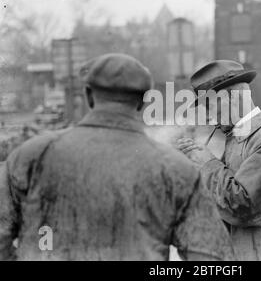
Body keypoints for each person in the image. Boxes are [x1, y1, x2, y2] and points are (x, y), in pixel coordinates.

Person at [0, 54, 233, 261]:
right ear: (143, 101)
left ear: (89, 95)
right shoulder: (176, 169)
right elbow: (211, 259)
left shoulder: (30, 156)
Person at [177, 60, 261, 261]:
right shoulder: (236, 136)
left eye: (209, 105)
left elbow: (244, 207)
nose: (208, 116)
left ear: (233, 99)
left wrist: (207, 163)